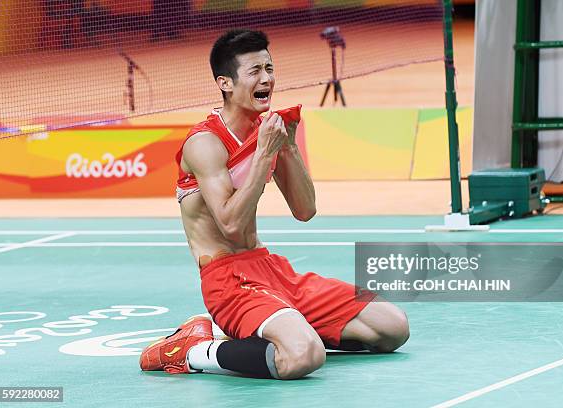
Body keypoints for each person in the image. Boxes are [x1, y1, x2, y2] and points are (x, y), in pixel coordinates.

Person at [140, 29, 409, 380]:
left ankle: (286, 329)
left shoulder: (266, 129)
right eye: (254, 71)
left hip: (271, 270)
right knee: (302, 357)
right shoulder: (205, 144)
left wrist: (289, 147)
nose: (266, 78)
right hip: (228, 281)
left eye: (269, 68)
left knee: (392, 327)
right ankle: (192, 350)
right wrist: (265, 152)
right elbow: (231, 225)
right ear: (225, 83)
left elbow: (305, 210)